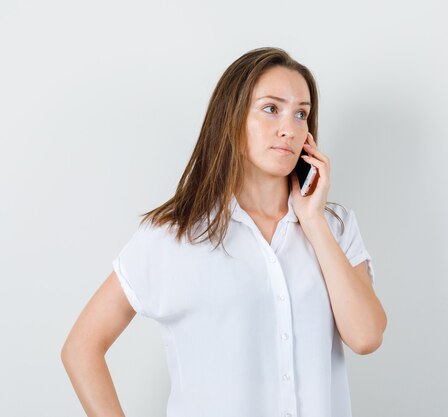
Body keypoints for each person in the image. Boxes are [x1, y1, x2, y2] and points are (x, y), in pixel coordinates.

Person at [60, 46, 387, 417]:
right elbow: (82, 347)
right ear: (231, 118)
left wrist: (312, 221)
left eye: (301, 115)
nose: (289, 128)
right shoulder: (175, 234)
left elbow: (365, 337)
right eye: (271, 108)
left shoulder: (335, 226)